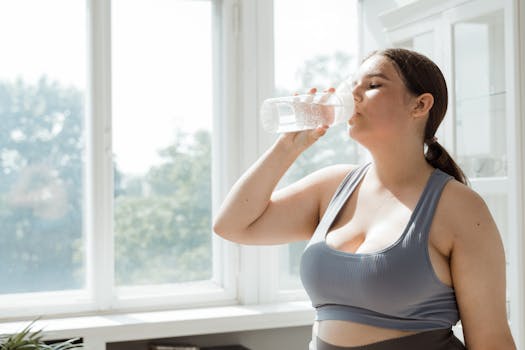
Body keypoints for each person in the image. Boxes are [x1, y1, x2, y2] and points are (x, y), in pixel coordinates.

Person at [212, 48, 516, 350]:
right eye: (351, 85)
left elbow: (491, 340)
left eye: (372, 86)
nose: (353, 95)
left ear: (420, 105)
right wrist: (288, 146)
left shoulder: (458, 206)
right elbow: (233, 225)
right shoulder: (331, 187)